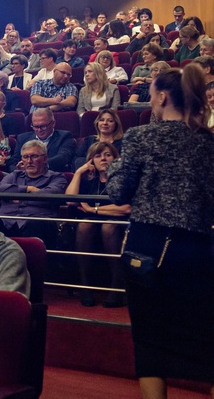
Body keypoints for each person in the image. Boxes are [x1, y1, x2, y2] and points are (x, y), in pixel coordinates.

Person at [106, 64, 214, 398]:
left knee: (150, 339)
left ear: (163, 96)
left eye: (152, 95)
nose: (150, 101)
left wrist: (112, 169)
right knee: (205, 337)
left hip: (149, 248)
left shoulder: (141, 136)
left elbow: (118, 193)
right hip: (198, 248)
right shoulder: (208, 141)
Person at [66, 142, 130, 307]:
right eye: (98, 155)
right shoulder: (89, 178)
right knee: (85, 225)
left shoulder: (123, 178)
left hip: (120, 223)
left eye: (108, 155)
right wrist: (79, 172)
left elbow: (126, 208)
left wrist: (93, 209)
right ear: (91, 160)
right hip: (93, 221)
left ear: (116, 159)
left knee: (108, 227)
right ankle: (85, 285)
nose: (103, 159)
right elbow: (70, 200)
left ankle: (117, 285)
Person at [0, 140, 69, 247]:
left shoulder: (57, 177)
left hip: (36, 222)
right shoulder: (14, 175)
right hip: (6, 222)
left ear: (44, 159)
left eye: (34, 156)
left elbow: (48, 197)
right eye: (25, 157)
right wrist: (27, 189)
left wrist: (15, 195)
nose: (29, 161)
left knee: (36, 224)